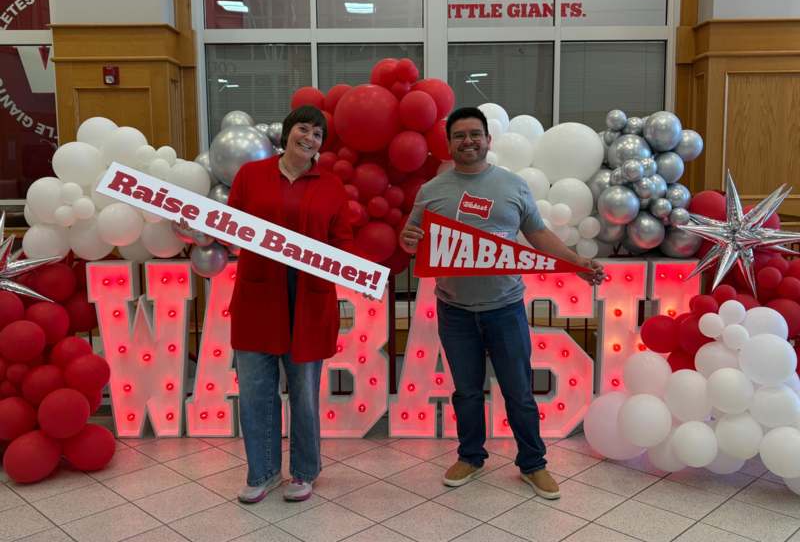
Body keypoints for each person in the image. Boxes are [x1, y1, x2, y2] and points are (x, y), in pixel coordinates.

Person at [399, 107, 604, 500]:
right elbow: (412, 239)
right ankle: (471, 457)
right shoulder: (431, 191)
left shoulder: (512, 185)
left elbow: (538, 234)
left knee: (519, 391)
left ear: (487, 140)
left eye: (474, 134)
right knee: (466, 392)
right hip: (454, 311)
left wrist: (575, 262)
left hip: (506, 308)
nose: (468, 141)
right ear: (449, 144)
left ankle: (533, 464)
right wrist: (407, 242)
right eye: (459, 135)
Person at [227, 105, 352, 504]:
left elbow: (342, 243)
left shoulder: (331, 186)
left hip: (309, 302)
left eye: (318, 134)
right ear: (286, 132)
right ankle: (262, 472)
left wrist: (358, 273)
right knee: (255, 393)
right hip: (258, 300)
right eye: (303, 128)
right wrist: (194, 228)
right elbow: (228, 227)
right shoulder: (251, 175)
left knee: (304, 394)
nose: (309, 138)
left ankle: (304, 471)